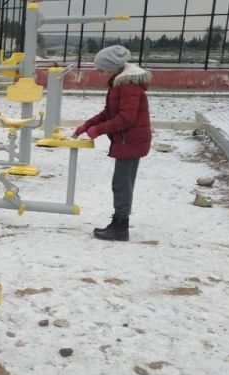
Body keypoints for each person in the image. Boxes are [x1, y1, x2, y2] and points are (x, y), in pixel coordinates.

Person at [73, 45, 152, 242]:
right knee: (121, 183)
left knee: (121, 185)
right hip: (129, 141)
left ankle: (121, 226)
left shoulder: (127, 86)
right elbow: (109, 113)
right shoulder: (119, 84)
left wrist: (98, 130)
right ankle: (118, 222)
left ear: (113, 68)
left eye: (101, 70)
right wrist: (88, 125)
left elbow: (126, 118)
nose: (99, 74)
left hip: (130, 142)